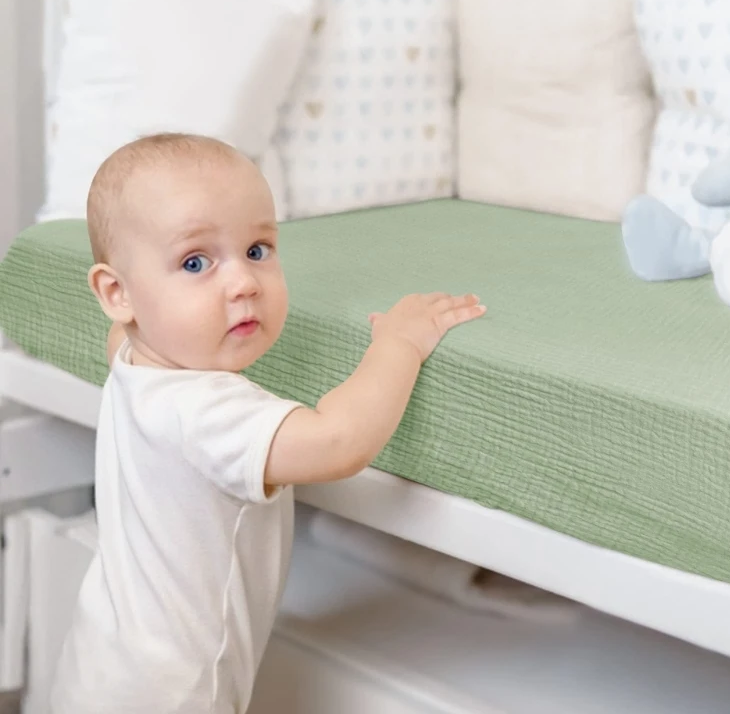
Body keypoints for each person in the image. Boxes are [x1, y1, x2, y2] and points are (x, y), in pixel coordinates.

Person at [50, 133, 486, 713]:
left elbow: (117, 336)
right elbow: (338, 441)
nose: (244, 283)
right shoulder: (205, 410)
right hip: (176, 696)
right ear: (116, 292)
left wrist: (160, 301)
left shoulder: (133, 359)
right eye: (196, 262)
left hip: (103, 668)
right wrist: (399, 343)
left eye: (258, 250)